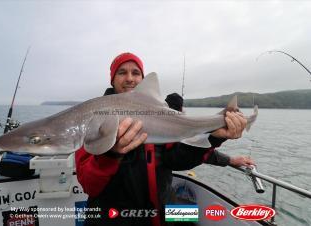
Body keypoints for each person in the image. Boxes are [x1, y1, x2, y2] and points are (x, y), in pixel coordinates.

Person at [75, 52, 254, 226]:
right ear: (112, 80)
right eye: (122, 72)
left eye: (136, 73)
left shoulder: (160, 118)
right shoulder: (93, 118)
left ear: (143, 80)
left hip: (159, 215)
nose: (130, 78)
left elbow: (179, 159)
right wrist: (110, 155)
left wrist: (215, 139)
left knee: (186, 215)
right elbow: (89, 185)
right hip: (112, 219)